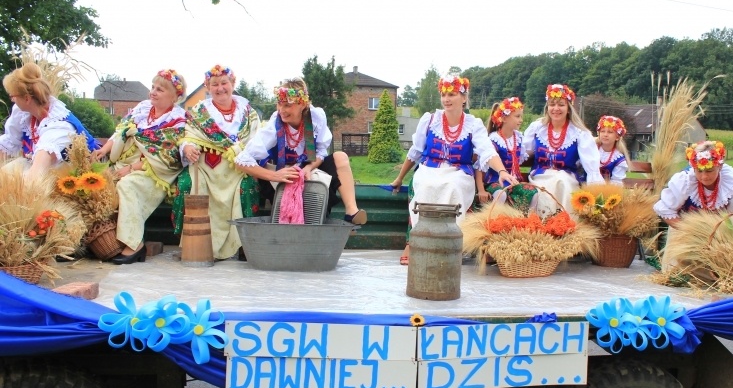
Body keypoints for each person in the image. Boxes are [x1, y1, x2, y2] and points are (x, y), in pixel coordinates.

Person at [390, 74, 518, 265]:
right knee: (425, 186)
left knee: (453, 187)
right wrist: (399, 178)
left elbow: (486, 151)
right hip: (429, 169)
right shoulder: (430, 120)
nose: (446, 99)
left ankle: (451, 244)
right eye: (444, 94)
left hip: (459, 172)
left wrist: (501, 171)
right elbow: (415, 151)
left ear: (464, 97)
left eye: (452, 94)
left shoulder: (473, 124)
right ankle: (420, 242)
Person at [234, 77, 367, 225]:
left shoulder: (316, 117)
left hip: (309, 169)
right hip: (281, 175)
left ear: (302, 104)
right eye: (279, 104)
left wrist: (309, 168)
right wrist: (276, 175)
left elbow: (321, 151)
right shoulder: (275, 124)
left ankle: (351, 212)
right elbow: (241, 160)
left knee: (340, 157)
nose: (281, 110)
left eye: (287, 105)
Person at [92, 69, 189, 264]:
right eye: (153, 87)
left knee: (127, 185)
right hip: (125, 161)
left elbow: (167, 156)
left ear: (174, 96)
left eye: (160, 89)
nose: (153, 92)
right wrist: (104, 150)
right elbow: (120, 132)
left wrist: (131, 168)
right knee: (96, 184)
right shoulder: (142, 109)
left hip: (154, 171)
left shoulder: (178, 121)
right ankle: (103, 242)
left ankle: (134, 244)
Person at [172, 65, 261, 260]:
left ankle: (244, 245)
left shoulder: (248, 113)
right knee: (186, 184)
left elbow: (256, 142)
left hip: (237, 169)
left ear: (233, 83)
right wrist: (187, 148)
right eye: (214, 84)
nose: (220, 88)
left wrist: (239, 153)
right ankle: (191, 243)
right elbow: (187, 136)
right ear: (208, 87)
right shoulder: (199, 112)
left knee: (248, 185)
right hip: (205, 169)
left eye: (224, 83)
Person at [1, 62, 99, 178]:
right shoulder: (23, 113)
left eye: (12, 96)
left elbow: (37, 173)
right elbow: (10, 141)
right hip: (47, 172)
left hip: (82, 178)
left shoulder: (59, 126)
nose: (12, 100)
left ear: (27, 98)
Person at [522, 83, 602, 217]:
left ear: (569, 108)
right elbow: (522, 152)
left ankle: (564, 222)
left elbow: (591, 164)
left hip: (567, 177)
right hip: (539, 177)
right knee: (545, 187)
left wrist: (596, 190)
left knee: (561, 181)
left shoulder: (579, 132)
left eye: (561, 105)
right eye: (552, 104)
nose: (556, 108)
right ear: (547, 107)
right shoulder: (537, 128)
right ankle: (542, 224)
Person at [654, 140, 733, 227]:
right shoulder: (685, 181)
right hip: (685, 231)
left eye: (709, 171)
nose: (704, 177)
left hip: (721, 232)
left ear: (720, 167)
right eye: (699, 171)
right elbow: (666, 208)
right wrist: (690, 231)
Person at [475, 97, 537, 209]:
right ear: (504, 118)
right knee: (501, 194)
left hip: (513, 182)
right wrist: (481, 190)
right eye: (517, 116)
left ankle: (529, 218)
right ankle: (494, 217)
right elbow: (480, 167)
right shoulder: (493, 140)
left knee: (533, 193)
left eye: (521, 116)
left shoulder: (518, 138)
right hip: (494, 182)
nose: (521, 120)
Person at [595, 115, 630, 185]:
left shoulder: (618, 159)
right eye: (602, 131)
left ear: (617, 137)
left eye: (610, 132)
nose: (605, 135)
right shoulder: (591, 149)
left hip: (607, 190)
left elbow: (616, 183)